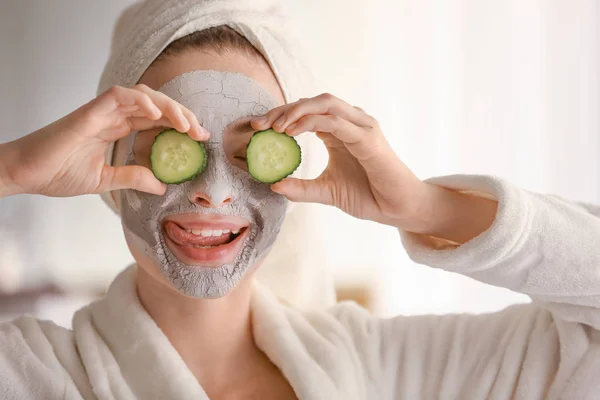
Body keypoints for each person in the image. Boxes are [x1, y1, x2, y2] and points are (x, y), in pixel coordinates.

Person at [1, 1, 599, 399]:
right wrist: (12, 168)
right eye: (168, 147)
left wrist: (427, 208)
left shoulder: (388, 369)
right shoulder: (32, 373)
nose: (212, 190)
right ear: (109, 160)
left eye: (250, 152)